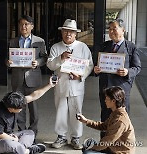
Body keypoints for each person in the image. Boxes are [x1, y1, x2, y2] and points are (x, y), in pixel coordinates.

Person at [47, 19, 94, 150]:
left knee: (77, 112)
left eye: (71, 32)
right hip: (61, 85)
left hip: (77, 86)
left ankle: (76, 138)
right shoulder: (56, 47)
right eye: (66, 31)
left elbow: (89, 65)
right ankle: (61, 136)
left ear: (76, 34)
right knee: (60, 111)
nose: (68, 34)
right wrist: (60, 58)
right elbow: (50, 65)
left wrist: (81, 75)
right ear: (62, 32)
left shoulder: (82, 47)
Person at [0, 77, 57, 154]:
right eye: (20, 108)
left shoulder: (16, 101)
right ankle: (27, 151)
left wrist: (49, 85)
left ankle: (18, 149)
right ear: (11, 108)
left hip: (9, 136)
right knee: (9, 144)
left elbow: (33, 96)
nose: (21, 109)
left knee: (30, 133)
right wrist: (13, 139)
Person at [94, 19, 141, 124]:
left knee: (121, 120)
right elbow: (95, 65)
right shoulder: (104, 46)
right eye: (109, 29)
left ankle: (121, 141)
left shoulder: (130, 47)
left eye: (114, 28)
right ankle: (105, 140)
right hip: (106, 89)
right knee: (105, 119)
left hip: (121, 90)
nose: (111, 31)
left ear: (123, 30)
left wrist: (127, 72)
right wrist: (96, 70)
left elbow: (137, 67)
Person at [7, 15, 47, 136]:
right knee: (19, 107)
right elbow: (7, 58)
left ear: (32, 26)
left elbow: (44, 57)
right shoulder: (13, 41)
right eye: (21, 24)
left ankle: (33, 132)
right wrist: (8, 63)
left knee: (33, 108)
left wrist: (38, 62)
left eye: (26, 24)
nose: (23, 27)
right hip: (17, 79)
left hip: (33, 79)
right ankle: (22, 131)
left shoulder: (39, 41)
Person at [77, 86, 136, 154]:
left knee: (87, 153)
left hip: (119, 152)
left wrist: (92, 148)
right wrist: (86, 121)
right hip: (112, 148)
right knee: (88, 146)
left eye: (107, 98)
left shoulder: (120, 120)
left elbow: (108, 141)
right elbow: (103, 126)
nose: (105, 100)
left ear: (113, 101)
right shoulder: (116, 113)